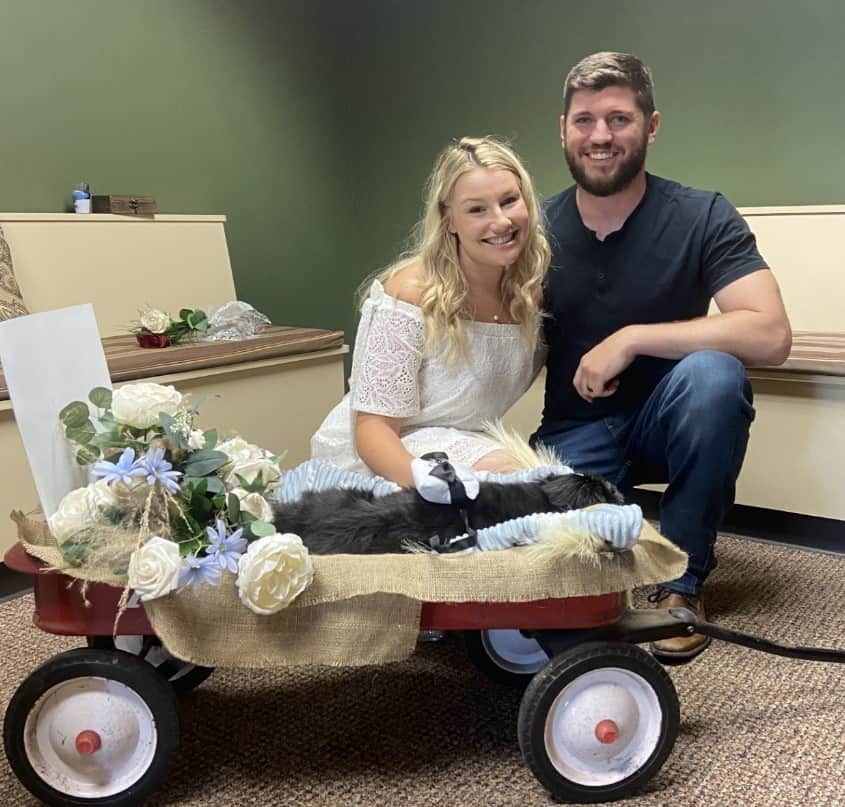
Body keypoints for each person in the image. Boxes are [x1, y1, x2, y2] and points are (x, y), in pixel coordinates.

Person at [534, 52, 792, 661]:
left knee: (715, 376)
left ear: (651, 127)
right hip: (575, 432)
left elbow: (771, 335)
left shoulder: (702, 215)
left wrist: (632, 337)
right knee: (555, 577)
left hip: (672, 418)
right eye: (585, 120)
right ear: (563, 129)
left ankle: (682, 578)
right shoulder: (534, 230)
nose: (601, 136)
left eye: (619, 119)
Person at [311, 136, 550, 490]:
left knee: (540, 480)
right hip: (383, 456)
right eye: (476, 209)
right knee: (515, 477)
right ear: (449, 220)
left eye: (509, 201)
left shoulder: (530, 294)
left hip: (466, 445)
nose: (500, 221)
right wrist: (431, 486)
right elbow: (373, 428)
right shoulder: (409, 296)